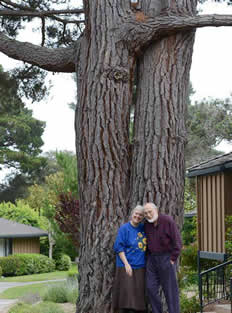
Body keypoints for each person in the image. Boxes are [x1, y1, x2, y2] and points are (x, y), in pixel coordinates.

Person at [143, 202, 182, 313]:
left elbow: (177, 242)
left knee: (170, 292)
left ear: (156, 210)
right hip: (151, 259)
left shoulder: (167, 220)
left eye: (150, 211)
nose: (148, 215)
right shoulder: (146, 225)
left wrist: (172, 259)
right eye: (145, 213)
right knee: (150, 288)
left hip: (166, 258)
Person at [112, 205, 147, 313]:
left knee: (138, 298)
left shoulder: (143, 228)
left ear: (143, 217)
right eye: (136, 213)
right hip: (126, 267)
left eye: (140, 215)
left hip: (140, 267)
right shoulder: (125, 228)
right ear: (132, 214)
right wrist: (127, 264)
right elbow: (118, 247)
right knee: (126, 300)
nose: (138, 216)